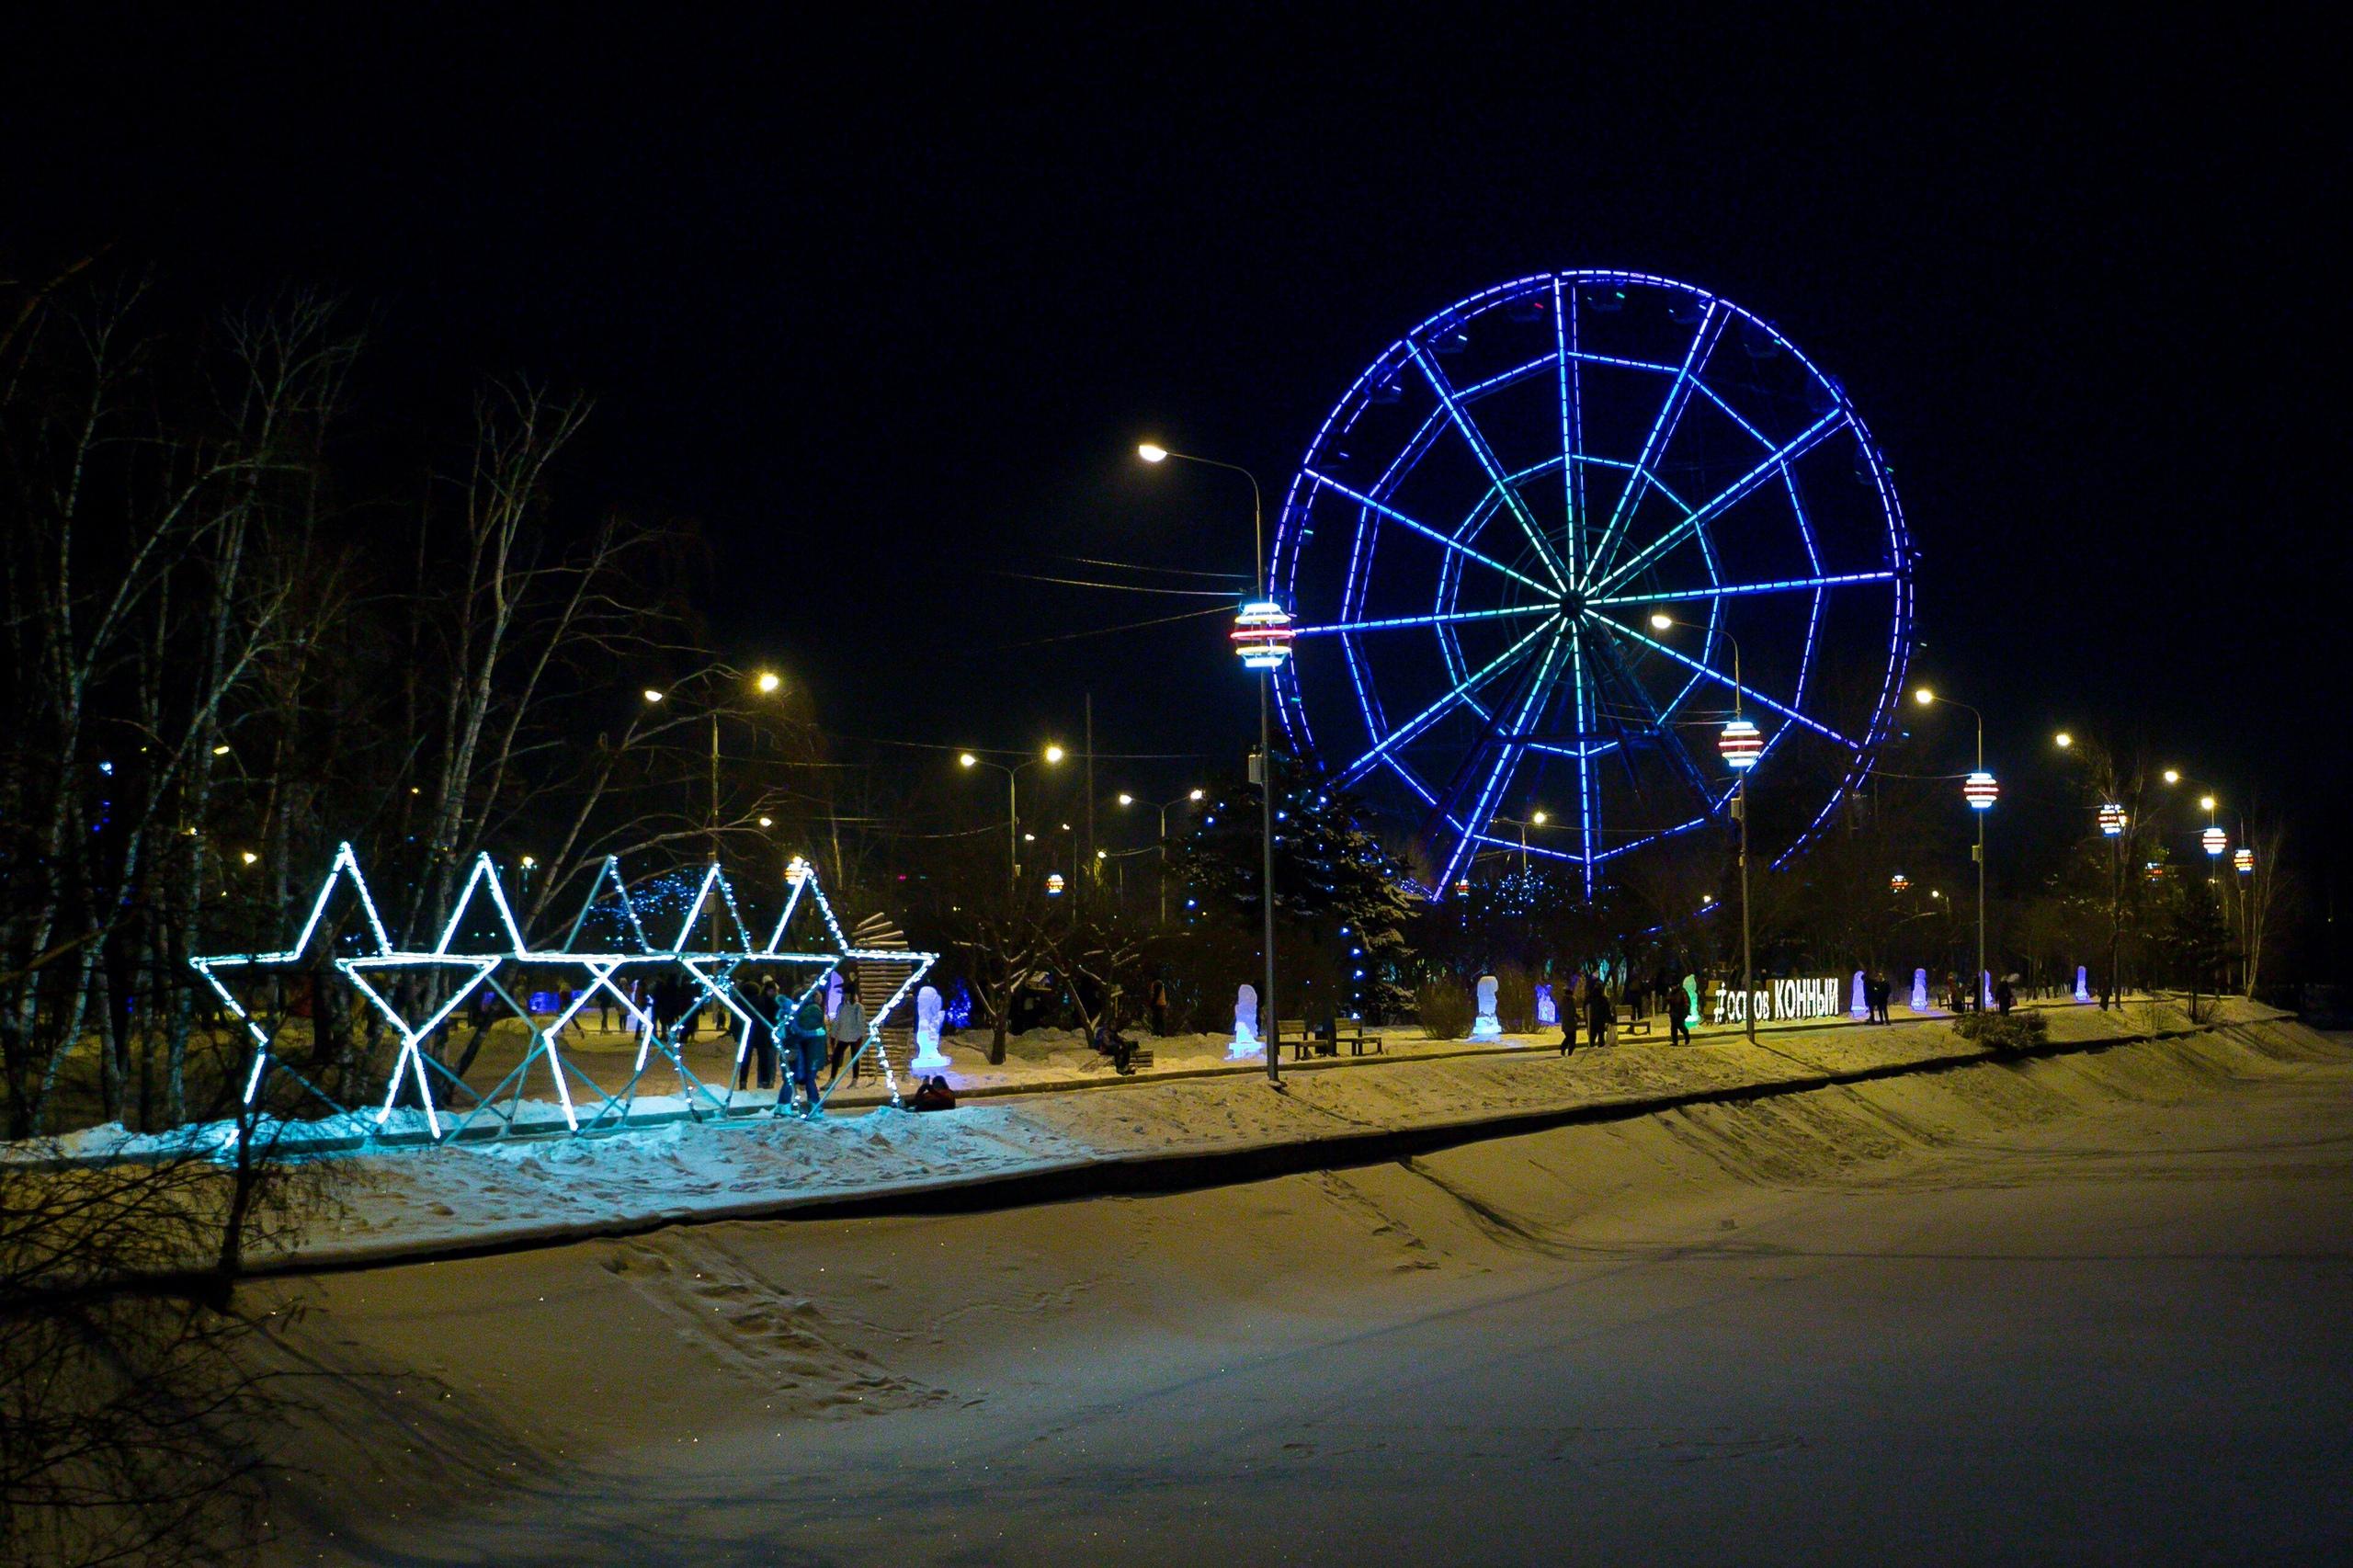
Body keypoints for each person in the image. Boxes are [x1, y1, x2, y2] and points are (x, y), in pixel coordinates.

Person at [783, 988, 828, 1115]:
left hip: (811, 1051)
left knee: (809, 1078)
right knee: (808, 1078)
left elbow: (806, 1032)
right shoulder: (808, 1010)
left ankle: (815, 1105)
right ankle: (814, 1105)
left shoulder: (811, 1010)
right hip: (810, 1050)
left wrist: (793, 1037)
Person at [828, 976, 869, 1087]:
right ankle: (832, 1079)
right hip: (843, 1036)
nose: (844, 996)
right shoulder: (841, 1007)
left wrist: (862, 1037)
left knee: (854, 1058)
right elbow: (837, 1022)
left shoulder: (858, 1007)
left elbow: (861, 1023)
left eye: (846, 994)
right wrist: (833, 1035)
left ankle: (855, 1080)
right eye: (844, 994)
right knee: (836, 1057)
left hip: (855, 1037)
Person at [1668, 976, 1693, 1047]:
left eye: (1674, 986)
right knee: (1673, 1028)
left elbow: (1686, 1002)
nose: (1673, 987)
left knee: (1680, 1026)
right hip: (1674, 1012)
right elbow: (1669, 1000)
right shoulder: (1671, 993)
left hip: (1681, 1012)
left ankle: (1686, 1035)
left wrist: (1685, 1011)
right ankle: (1675, 1041)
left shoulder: (1682, 992)